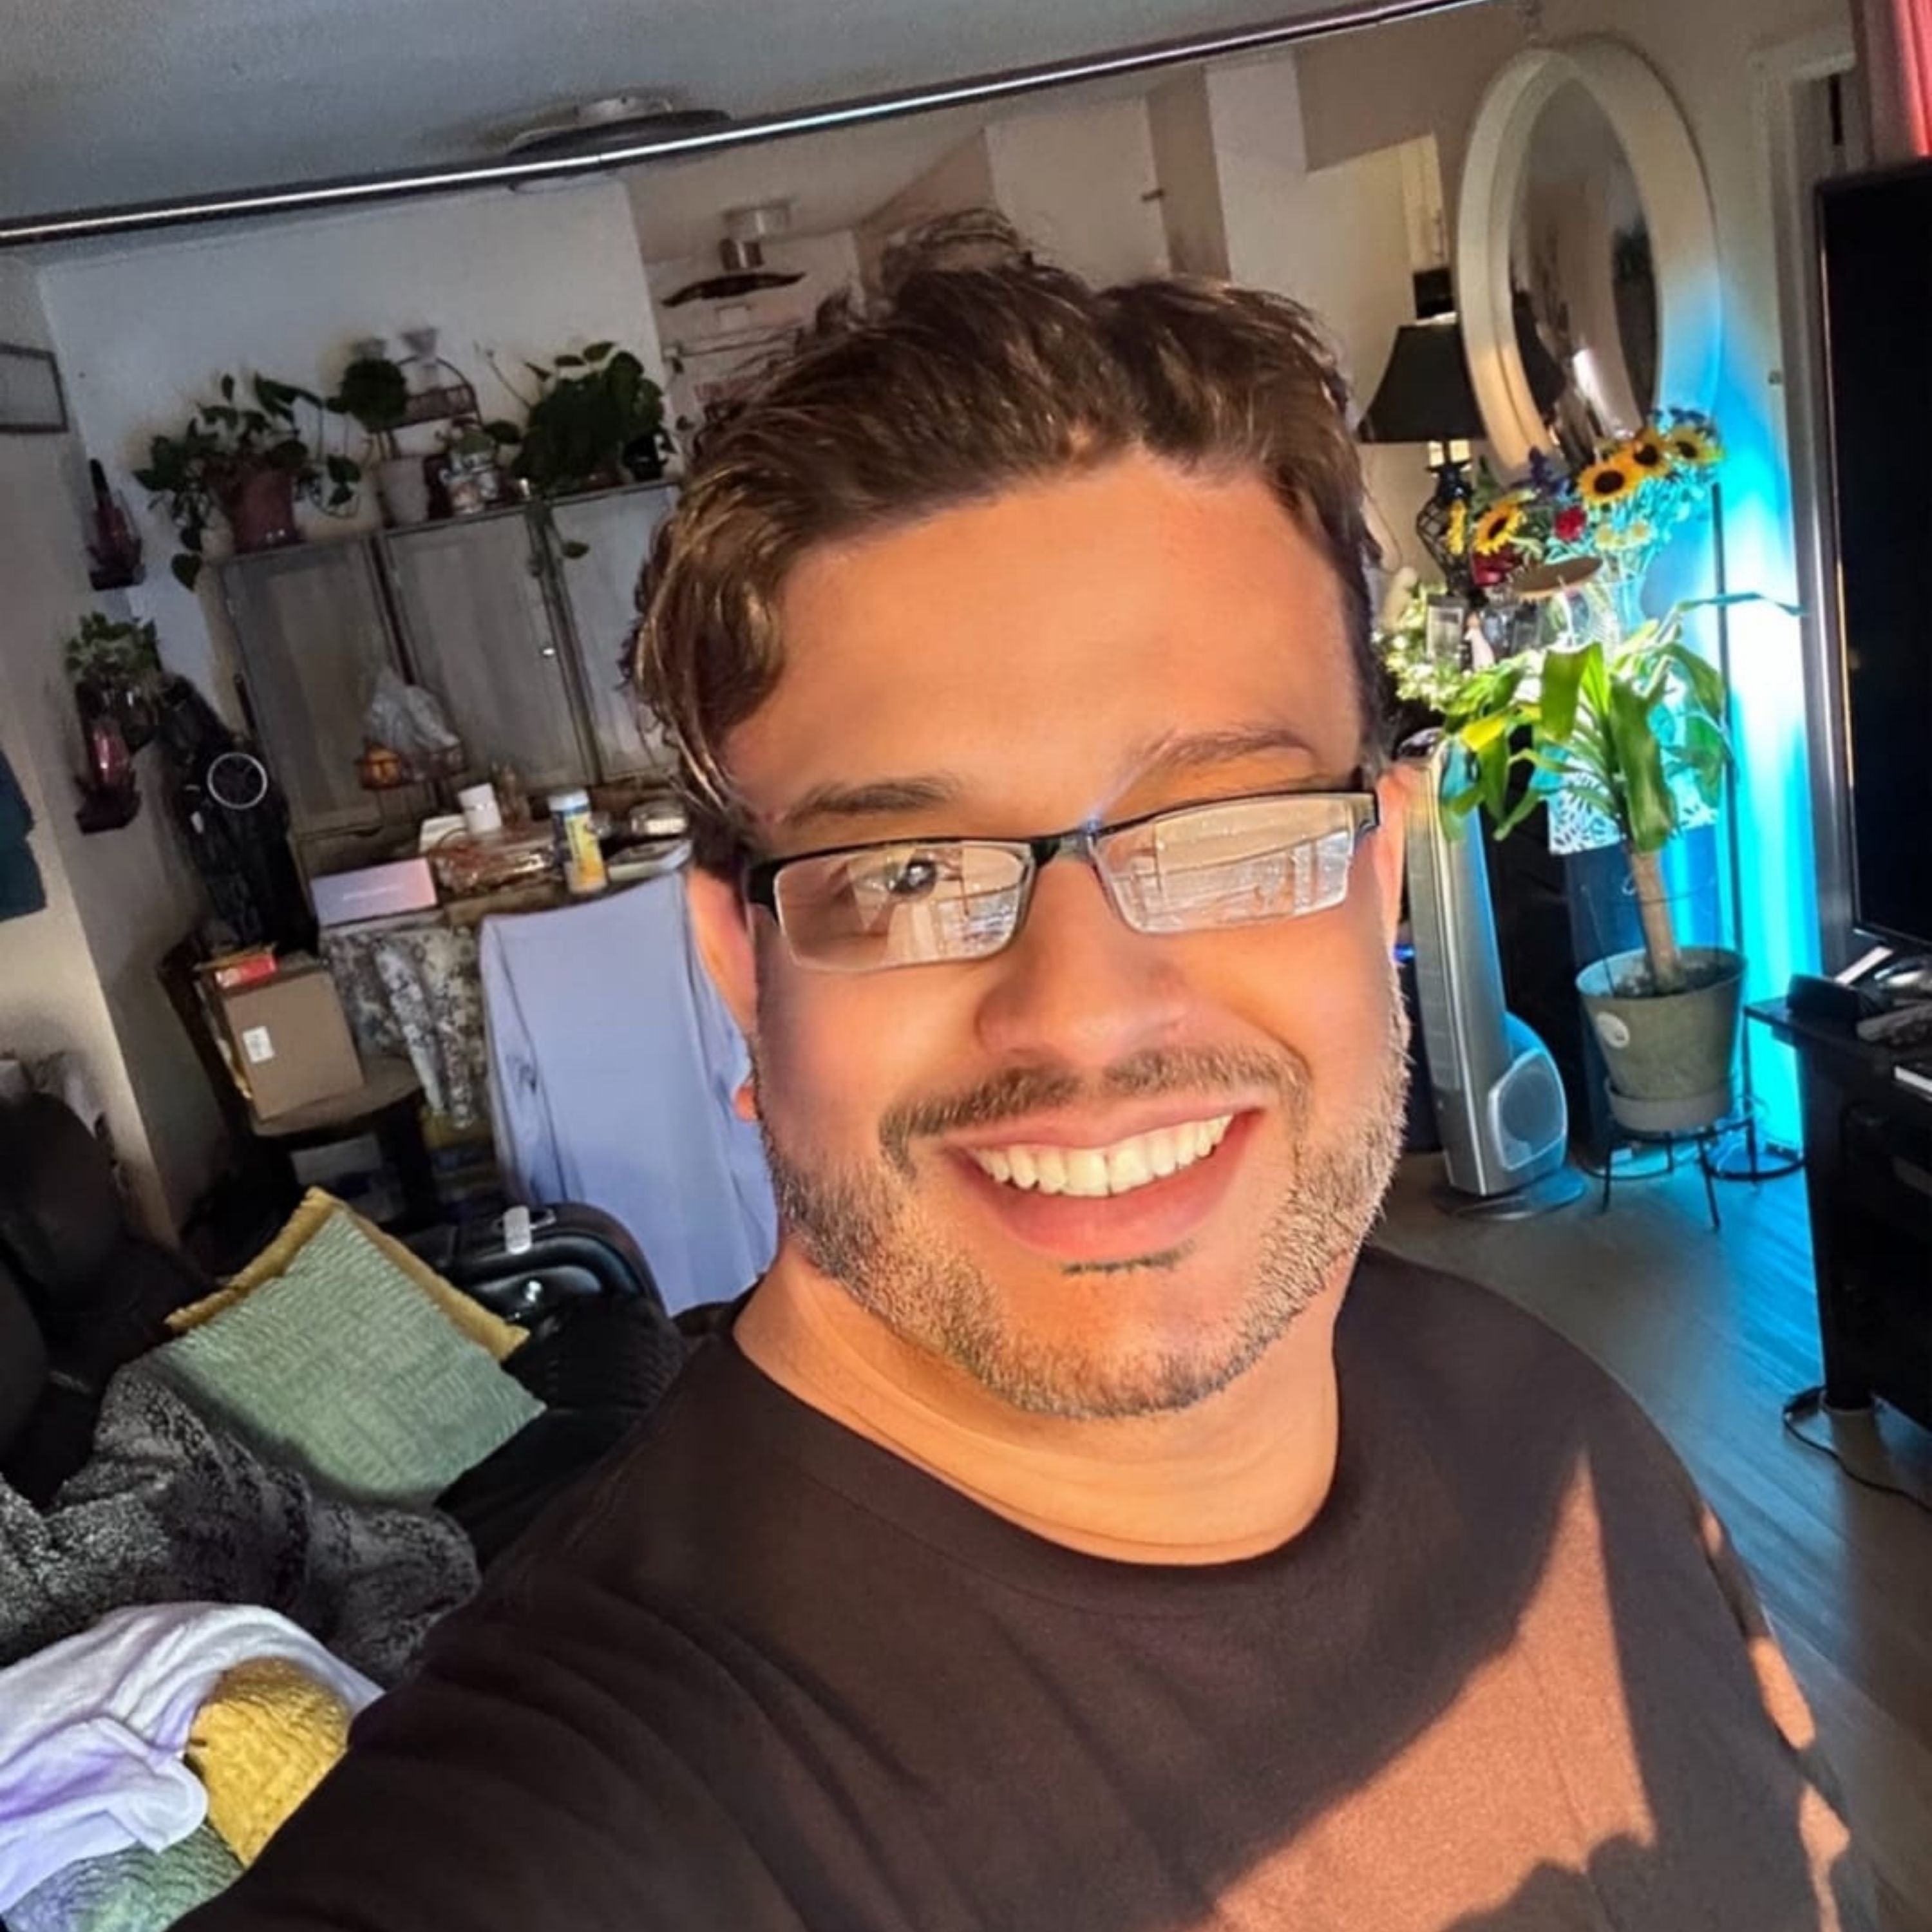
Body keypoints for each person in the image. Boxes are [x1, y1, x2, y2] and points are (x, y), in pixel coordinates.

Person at [184, 220, 1867, 1931]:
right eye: (907, 872)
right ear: (740, 972)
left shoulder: (1568, 1438)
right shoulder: (578, 1826)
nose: (1081, 1013)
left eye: (1224, 830)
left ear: (1378, 883)